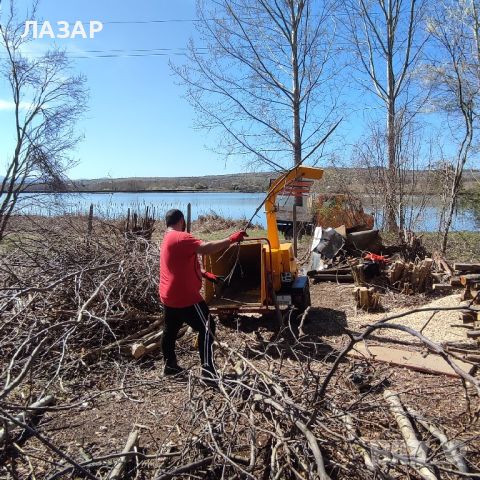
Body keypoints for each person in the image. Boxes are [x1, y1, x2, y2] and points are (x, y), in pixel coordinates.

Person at [159, 208, 248, 379]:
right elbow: (205, 248)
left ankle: (169, 366)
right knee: (208, 328)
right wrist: (231, 239)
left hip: (168, 295)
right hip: (186, 297)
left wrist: (206, 274)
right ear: (182, 221)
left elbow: (180, 265)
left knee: (170, 331)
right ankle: (208, 370)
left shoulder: (166, 237)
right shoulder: (182, 236)